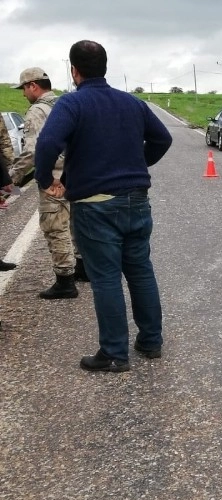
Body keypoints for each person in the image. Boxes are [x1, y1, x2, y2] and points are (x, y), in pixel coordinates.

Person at [34, 40, 173, 372]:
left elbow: (48, 142)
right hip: (137, 200)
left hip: (95, 206)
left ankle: (114, 353)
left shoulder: (72, 104)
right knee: (140, 270)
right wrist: (137, 163)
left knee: (106, 278)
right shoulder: (132, 103)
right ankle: (151, 341)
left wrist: (46, 180)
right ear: (105, 67)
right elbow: (163, 139)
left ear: (74, 70)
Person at [8, 68, 81, 298]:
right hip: (77, 175)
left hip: (54, 179)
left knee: (55, 227)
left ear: (33, 86)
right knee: (76, 225)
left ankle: (65, 281)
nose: (23, 95)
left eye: (24, 89)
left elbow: (32, 151)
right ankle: (83, 268)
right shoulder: (66, 104)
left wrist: (12, 178)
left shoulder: (37, 111)